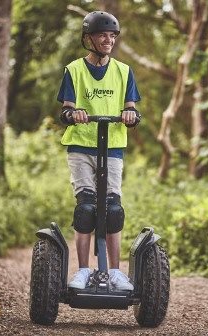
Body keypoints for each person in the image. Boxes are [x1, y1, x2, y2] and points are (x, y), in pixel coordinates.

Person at [57, 11, 141, 291]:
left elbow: (131, 108)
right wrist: (73, 114)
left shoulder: (124, 71)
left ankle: (115, 272)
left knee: (113, 209)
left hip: (113, 147)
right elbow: (66, 109)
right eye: (103, 35)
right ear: (88, 38)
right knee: (87, 208)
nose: (109, 40)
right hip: (81, 146)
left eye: (112, 36)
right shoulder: (74, 70)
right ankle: (82, 270)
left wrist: (131, 115)